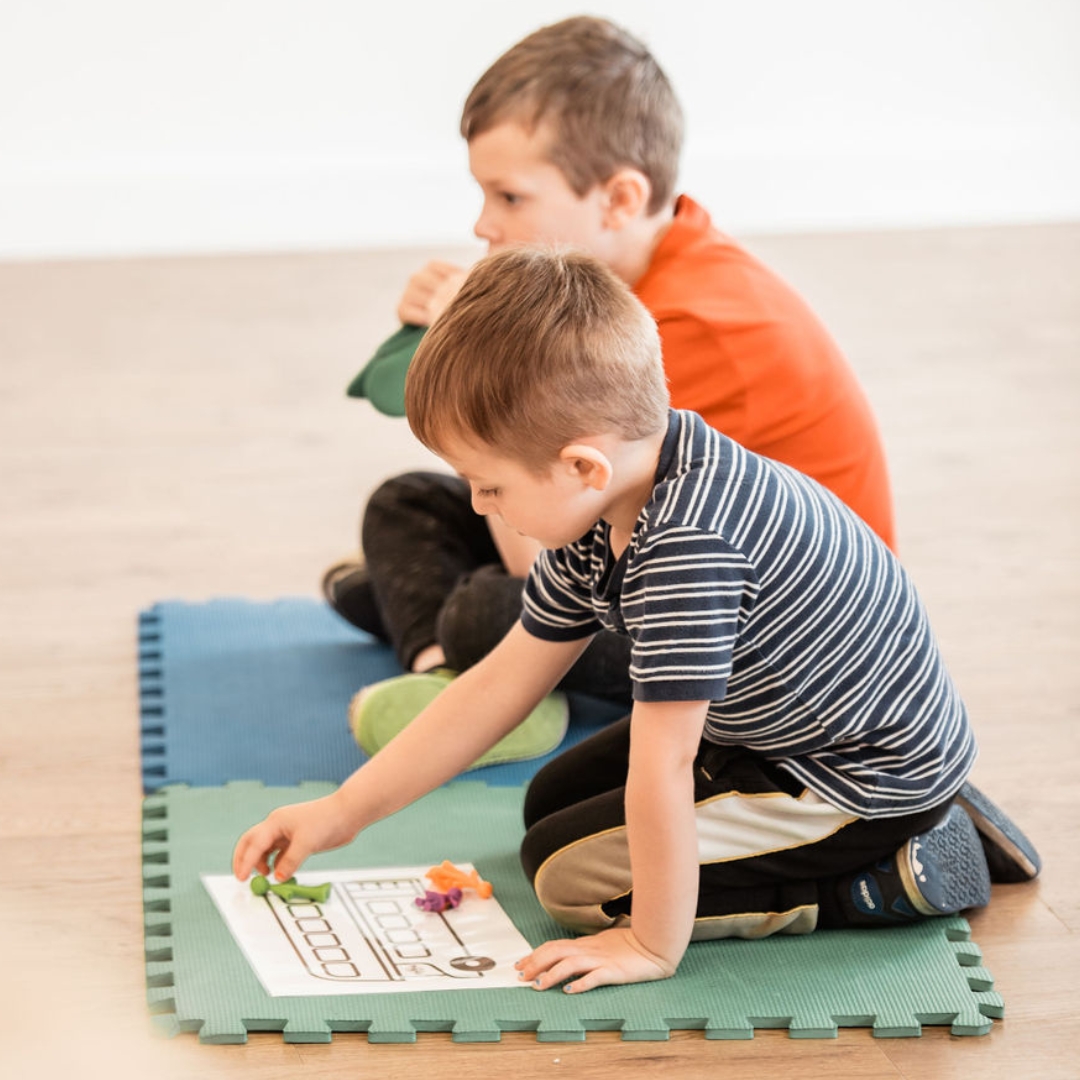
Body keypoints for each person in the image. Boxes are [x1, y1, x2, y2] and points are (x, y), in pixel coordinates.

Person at [235, 248, 1035, 995]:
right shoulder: (613, 492)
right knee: (546, 805)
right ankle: (908, 813)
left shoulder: (686, 547)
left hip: (848, 775)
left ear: (582, 466)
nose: (478, 506)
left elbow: (664, 763)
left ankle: (888, 873)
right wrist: (342, 811)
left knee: (569, 882)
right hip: (775, 728)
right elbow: (501, 683)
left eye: (490, 486)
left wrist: (651, 944)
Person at [326, 15, 899, 742]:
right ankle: (441, 670)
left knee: (482, 609)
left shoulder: (687, 331)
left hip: (764, 639)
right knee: (405, 504)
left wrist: (474, 358)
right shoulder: (647, 269)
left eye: (510, 198)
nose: (482, 225)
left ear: (621, 199)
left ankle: (460, 651)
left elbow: (548, 559)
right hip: (627, 542)